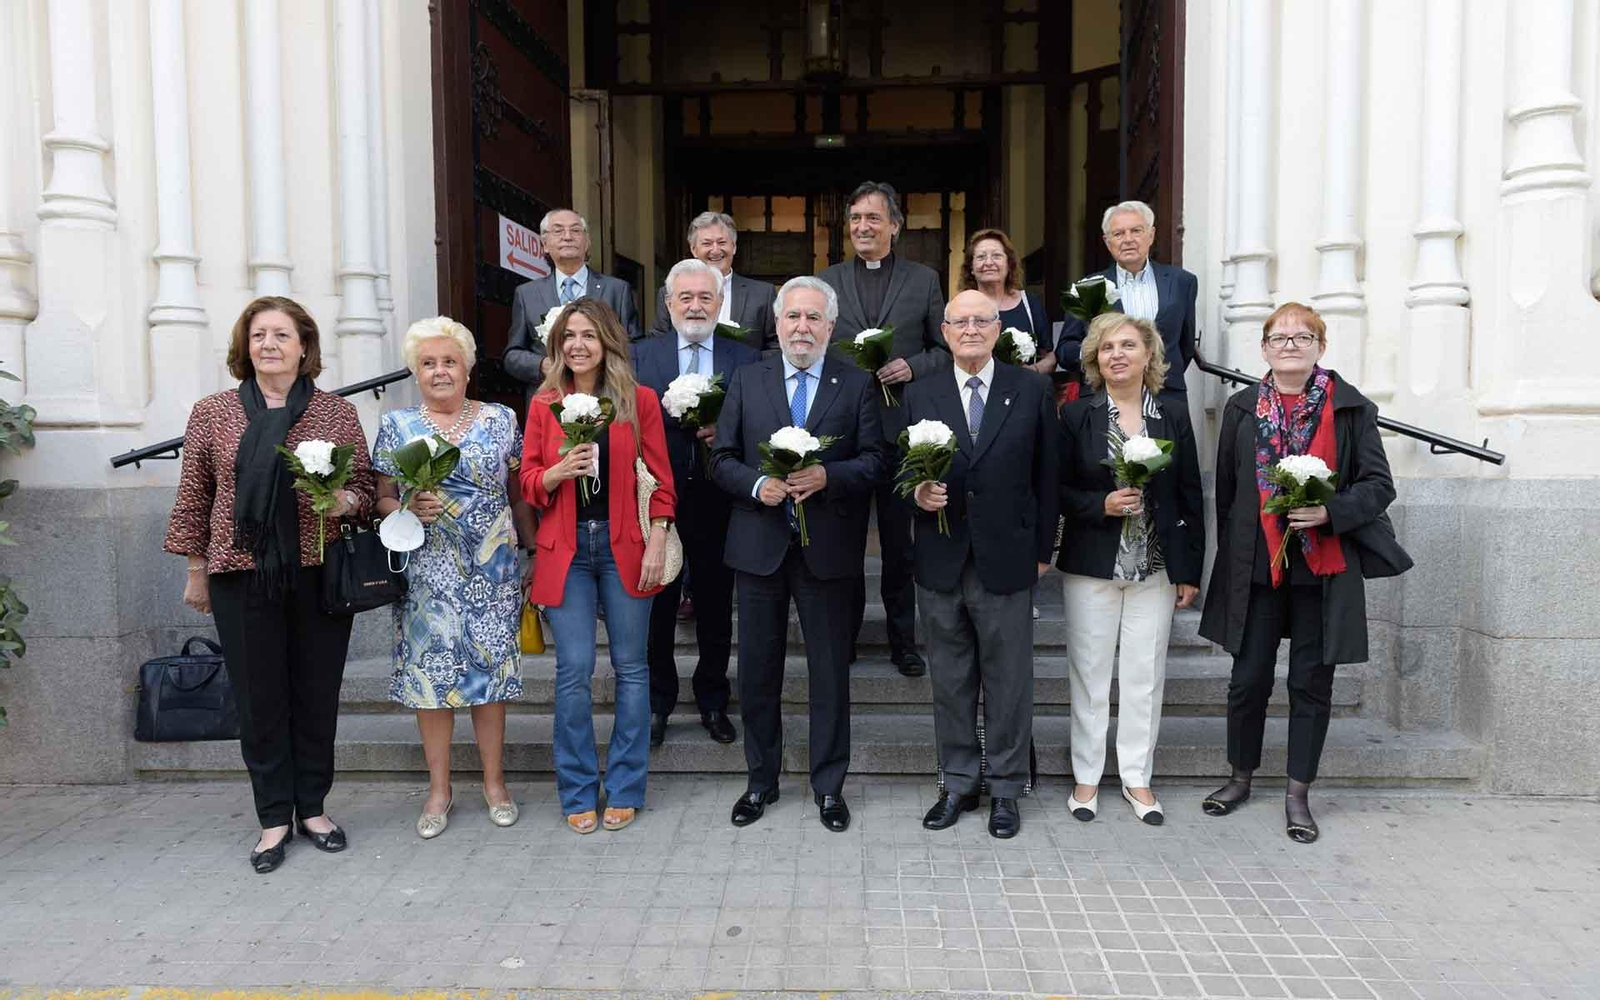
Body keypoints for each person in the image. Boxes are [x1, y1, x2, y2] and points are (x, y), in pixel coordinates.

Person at [164, 296, 373, 874]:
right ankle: (273, 816)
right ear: (244, 347)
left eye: (282, 334)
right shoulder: (213, 413)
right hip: (240, 571)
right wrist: (195, 571)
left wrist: (345, 499)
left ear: (304, 346)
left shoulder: (334, 413)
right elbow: (195, 498)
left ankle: (313, 808)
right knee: (259, 700)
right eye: (259, 336)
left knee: (315, 692)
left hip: (318, 570)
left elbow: (362, 486)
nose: (270, 345)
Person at [1199, 302, 1407, 844]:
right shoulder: (1242, 409)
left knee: (1310, 683)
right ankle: (1239, 777)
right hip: (1258, 569)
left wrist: (1329, 511)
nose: (1289, 345)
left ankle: (1297, 793)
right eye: (1279, 337)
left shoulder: (1350, 409)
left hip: (1323, 568)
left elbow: (1379, 485)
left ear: (1320, 346)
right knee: (1247, 680)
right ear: (1264, 348)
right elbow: (1228, 493)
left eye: (1302, 337)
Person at [709, 276, 888, 832]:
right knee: (759, 672)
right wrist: (755, 485)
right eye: (793, 317)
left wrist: (828, 475)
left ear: (831, 328)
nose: (803, 327)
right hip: (759, 547)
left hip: (827, 552)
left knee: (830, 673)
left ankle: (829, 787)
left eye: (814, 318)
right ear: (778, 324)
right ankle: (760, 782)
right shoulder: (746, 379)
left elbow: (878, 461)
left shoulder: (855, 384)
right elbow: (721, 458)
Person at [372, 316, 538, 839]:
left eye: (449, 362)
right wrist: (402, 509)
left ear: (467, 369)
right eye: (428, 363)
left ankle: (495, 783)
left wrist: (531, 551)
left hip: (494, 568)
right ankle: (439, 789)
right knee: (431, 681)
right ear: (415, 372)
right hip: (428, 572)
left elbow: (517, 491)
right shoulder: (397, 426)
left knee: (490, 681)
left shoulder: (501, 419)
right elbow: (381, 497)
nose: (440, 371)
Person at [520, 298, 676, 835]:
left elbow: (660, 484)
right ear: (557, 345)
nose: (578, 345)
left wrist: (657, 539)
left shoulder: (639, 402)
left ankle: (628, 786)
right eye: (569, 336)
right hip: (565, 551)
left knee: (632, 669)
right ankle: (578, 788)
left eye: (588, 334)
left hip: (623, 548)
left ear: (608, 341)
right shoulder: (544, 404)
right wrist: (558, 471)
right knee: (574, 671)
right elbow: (527, 483)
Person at [905, 290, 1058, 839]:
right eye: (959, 322)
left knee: (1009, 680)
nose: (970, 329)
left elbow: (1048, 479)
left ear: (999, 329)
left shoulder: (1033, 389)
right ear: (943, 331)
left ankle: (1007, 789)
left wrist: (1044, 551)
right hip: (941, 559)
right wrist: (916, 494)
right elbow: (897, 476)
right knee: (950, 680)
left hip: (1008, 559)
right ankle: (959, 783)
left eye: (981, 321)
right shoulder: (918, 393)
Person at [1056, 314, 1204, 827]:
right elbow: (1058, 491)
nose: (1116, 354)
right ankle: (1087, 777)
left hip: (1156, 568)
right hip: (1092, 564)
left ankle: (1137, 776)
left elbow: (1189, 494)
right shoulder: (1076, 415)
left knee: (1144, 675)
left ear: (1148, 355)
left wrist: (1189, 570)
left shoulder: (1175, 415)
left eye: (1127, 345)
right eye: (1106, 348)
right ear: (1096, 361)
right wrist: (1102, 503)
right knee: (1090, 674)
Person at [819, 181, 947, 677]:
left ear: (895, 225)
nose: (863, 228)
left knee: (900, 544)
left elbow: (944, 348)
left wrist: (913, 367)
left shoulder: (924, 280)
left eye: (873, 218)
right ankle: (843, 638)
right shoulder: (826, 281)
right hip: (844, 430)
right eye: (855, 219)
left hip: (902, 430)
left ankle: (902, 640)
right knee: (843, 540)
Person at [632, 259, 759, 748]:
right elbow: (628, 423)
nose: (695, 305)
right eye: (685, 297)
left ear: (720, 302)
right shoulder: (643, 356)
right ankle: (658, 702)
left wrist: (724, 431)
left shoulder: (743, 358)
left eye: (705, 297)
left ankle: (712, 699)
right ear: (668, 304)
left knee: (713, 603)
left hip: (719, 499)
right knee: (659, 604)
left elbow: (758, 423)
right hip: (657, 498)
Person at [1054, 200, 1198, 398]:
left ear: (1151, 235)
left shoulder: (1182, 282)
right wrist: (1100, 355)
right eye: (1118, 233)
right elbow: (1065, 350)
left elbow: (1185, 346)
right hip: (1104, 397)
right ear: (1107, 241)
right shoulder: (1087, 287)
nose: (1128, 239)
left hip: (1166, 396)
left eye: (1136, 231)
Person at [504, 208, 645, 397]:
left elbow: (635, 348)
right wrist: (542, 365)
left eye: (576, 230)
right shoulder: (526, 294)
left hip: (605, 397)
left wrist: (600, 361)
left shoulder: (617, 290)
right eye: (558, 231)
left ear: (587, 243)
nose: (567, 236)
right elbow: (512, 355)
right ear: (545, 244)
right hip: (550, 398)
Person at [647, 211, 778, 351]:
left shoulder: (763, 294)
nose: (715, 250)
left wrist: (749, 365)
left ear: (734, 247)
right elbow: (657, 342)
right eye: (707, 243)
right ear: (694, 250)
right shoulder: (670, 292)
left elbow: (775, 347)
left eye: (722, 242)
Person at [960, 228, 1055, 375]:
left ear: (1009, 264)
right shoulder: (960, 307)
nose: (989, 262)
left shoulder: (1029, 303)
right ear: (971, 268)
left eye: (997, 256)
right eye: (980, 257)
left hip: (1024, 391)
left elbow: (1050, 358)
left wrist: (1031, 372)